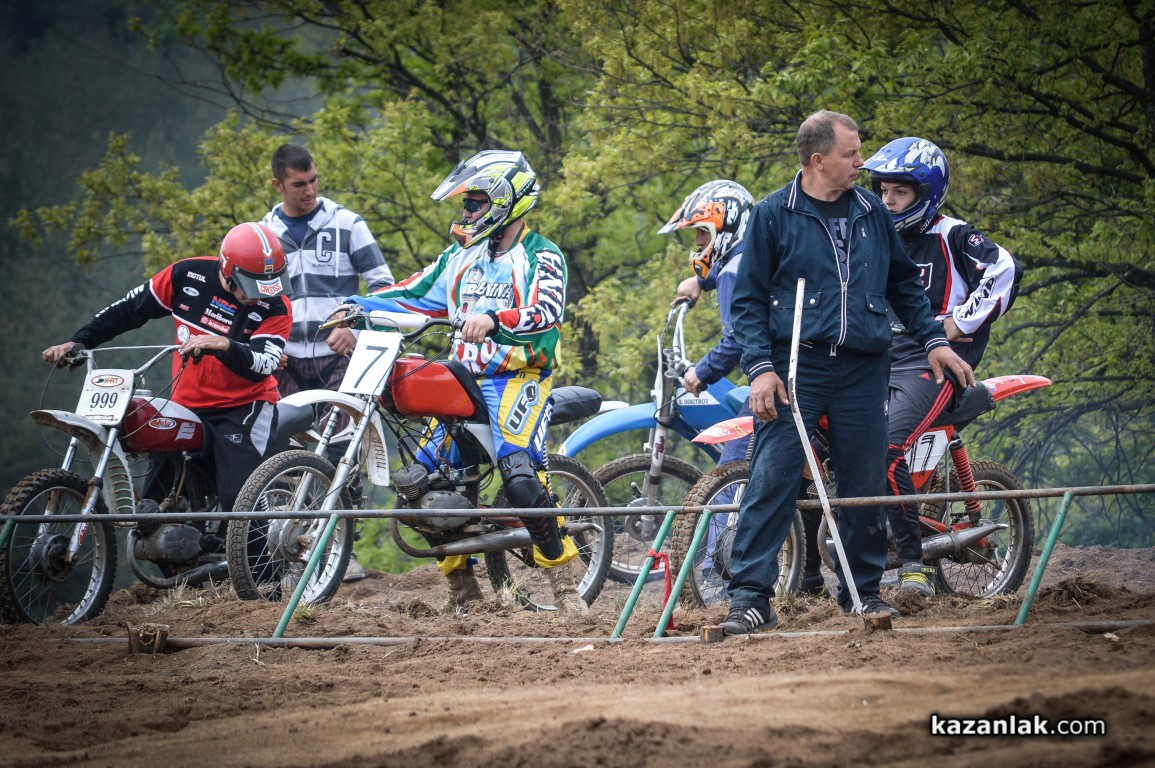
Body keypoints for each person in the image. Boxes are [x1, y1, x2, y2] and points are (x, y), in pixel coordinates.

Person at [721, 110, 976, 635]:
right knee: (773, 478)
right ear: (818, 160)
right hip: (795, 368)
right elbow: (746, 302)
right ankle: (750, 599)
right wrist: (760, 369)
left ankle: (862, 593)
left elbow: (903, 285)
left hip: (863, 367)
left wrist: (933, 341)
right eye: (851, 154)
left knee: (864, 481)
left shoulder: (871, 211)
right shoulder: (772, 215)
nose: (863, 163)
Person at [343, 149, 588, 613]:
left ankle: (563, 582)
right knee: (417, 484)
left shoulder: (542, 254)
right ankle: (463, 588)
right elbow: (414, 293)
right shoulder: (460, 255)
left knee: (519, 474)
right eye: (466, 203)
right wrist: (359, 306)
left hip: (517, 376)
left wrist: (495, 319)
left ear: (504, 202)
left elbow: (547, 311)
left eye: (475, 203)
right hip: (460, 377)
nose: (467, 212)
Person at [42, 222, 292, 517]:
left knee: (239, 500)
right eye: (252, 286)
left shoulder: (277, 306)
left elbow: (264, 365)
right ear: (227, 271)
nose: (260, 295)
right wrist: (79, 341)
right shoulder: (186, 274)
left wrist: (225, 345)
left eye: (268, 285)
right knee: (153, 499)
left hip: (244, 408)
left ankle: (261, 548)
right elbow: (129, 308)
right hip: (185, 403)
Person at [863, 136, 1022, 597]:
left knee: (886, 448)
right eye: (883, 191)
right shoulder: (877, 236)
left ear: (926, 193)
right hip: (880, 358)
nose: (888, 200)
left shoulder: (953, 234)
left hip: (935, 362)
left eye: (900, 192)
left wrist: (959, 321)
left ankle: (913, 567)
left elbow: (1004, 269)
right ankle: (810, 574)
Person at [663, 180, 827, 598]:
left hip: (781, 378)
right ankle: (805, 578)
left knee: (736, 463)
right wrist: (702, 281)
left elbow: (737, 338)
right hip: (808, 371)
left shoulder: (735, 270)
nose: (698, 245)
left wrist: (701, 373)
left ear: (727, 228)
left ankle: (722, 576)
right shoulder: (741, 259)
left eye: (702, 235)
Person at [261, 143, 395, 582]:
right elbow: (249, 298)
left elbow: (384, 287)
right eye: (299, 183)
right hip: (286, 364)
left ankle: (342, 550)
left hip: (340, 358)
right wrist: (266, 344)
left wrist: (356, 325)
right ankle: (290, 553)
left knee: (341, 451)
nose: (310, 190)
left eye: (314, 180)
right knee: (287, 454)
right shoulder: (263, 234)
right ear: (278, 185)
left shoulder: (347, 224)